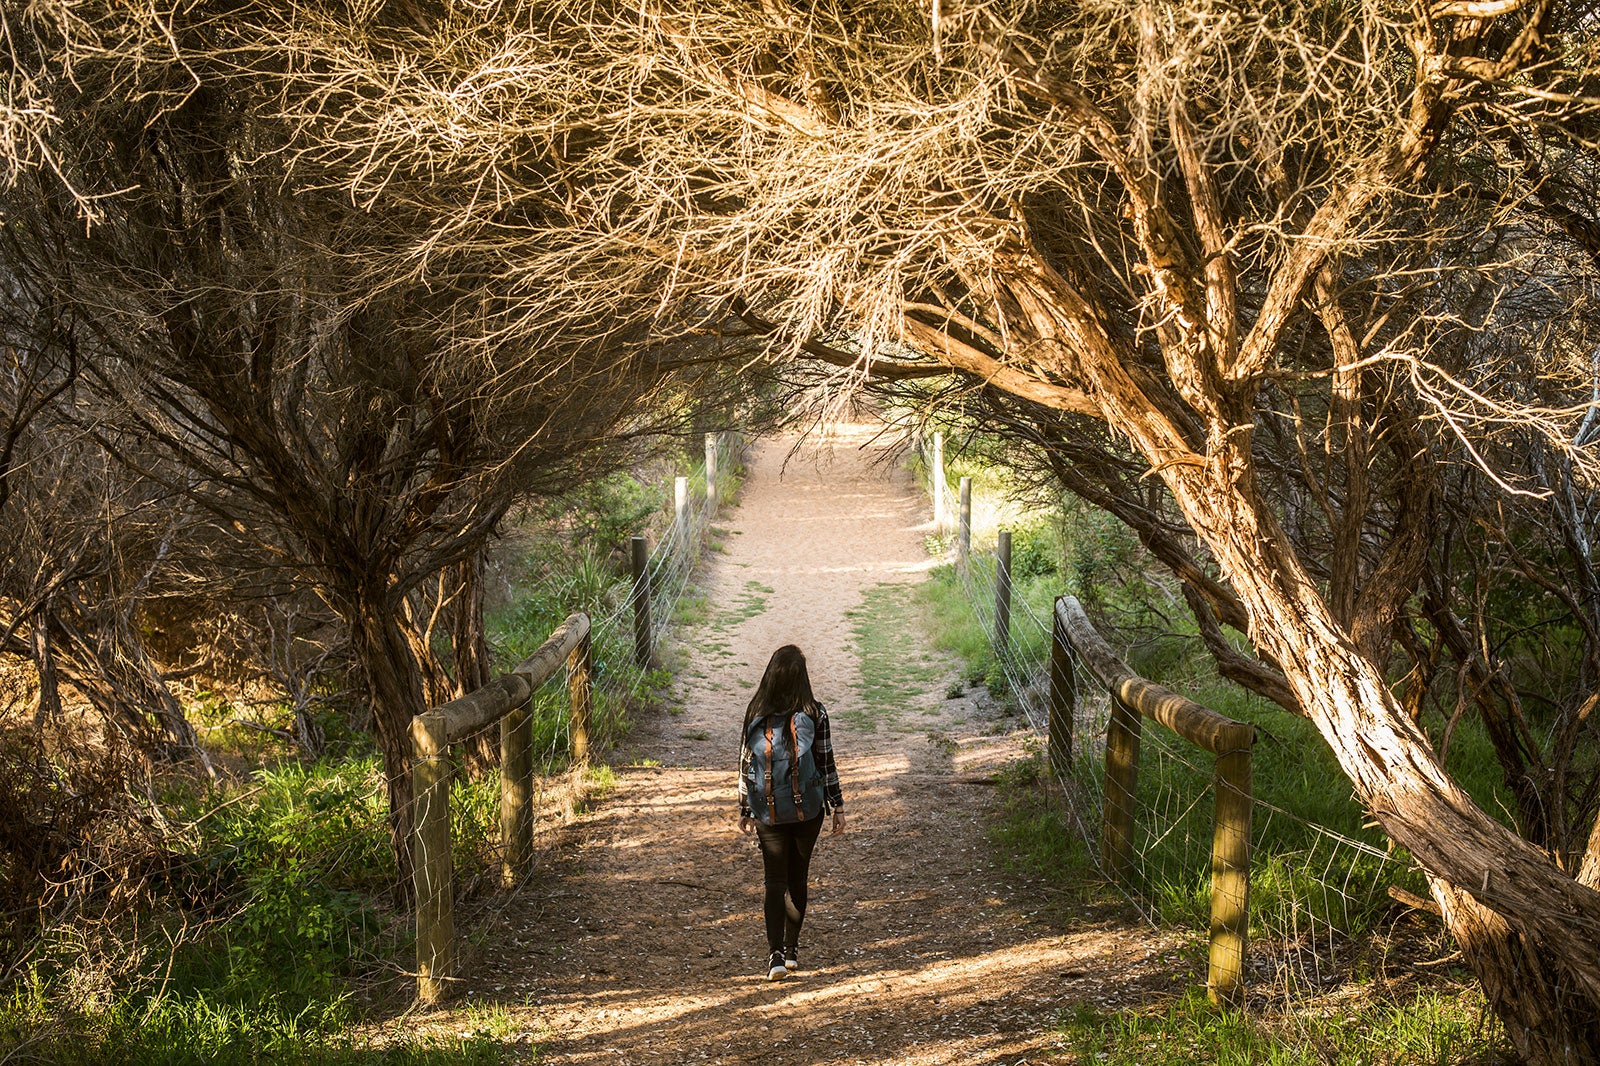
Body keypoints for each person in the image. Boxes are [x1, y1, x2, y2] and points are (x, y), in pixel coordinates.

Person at [738, 645, 846, 981]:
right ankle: (793, 948)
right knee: (798, 877)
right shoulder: (815, 712)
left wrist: (744, 806)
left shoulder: (756, 709)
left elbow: (745, 762)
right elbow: (826, 762)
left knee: (774, 880)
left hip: (767, 811)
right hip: (808, 811)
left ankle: (775, 957)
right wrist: (837, 804)